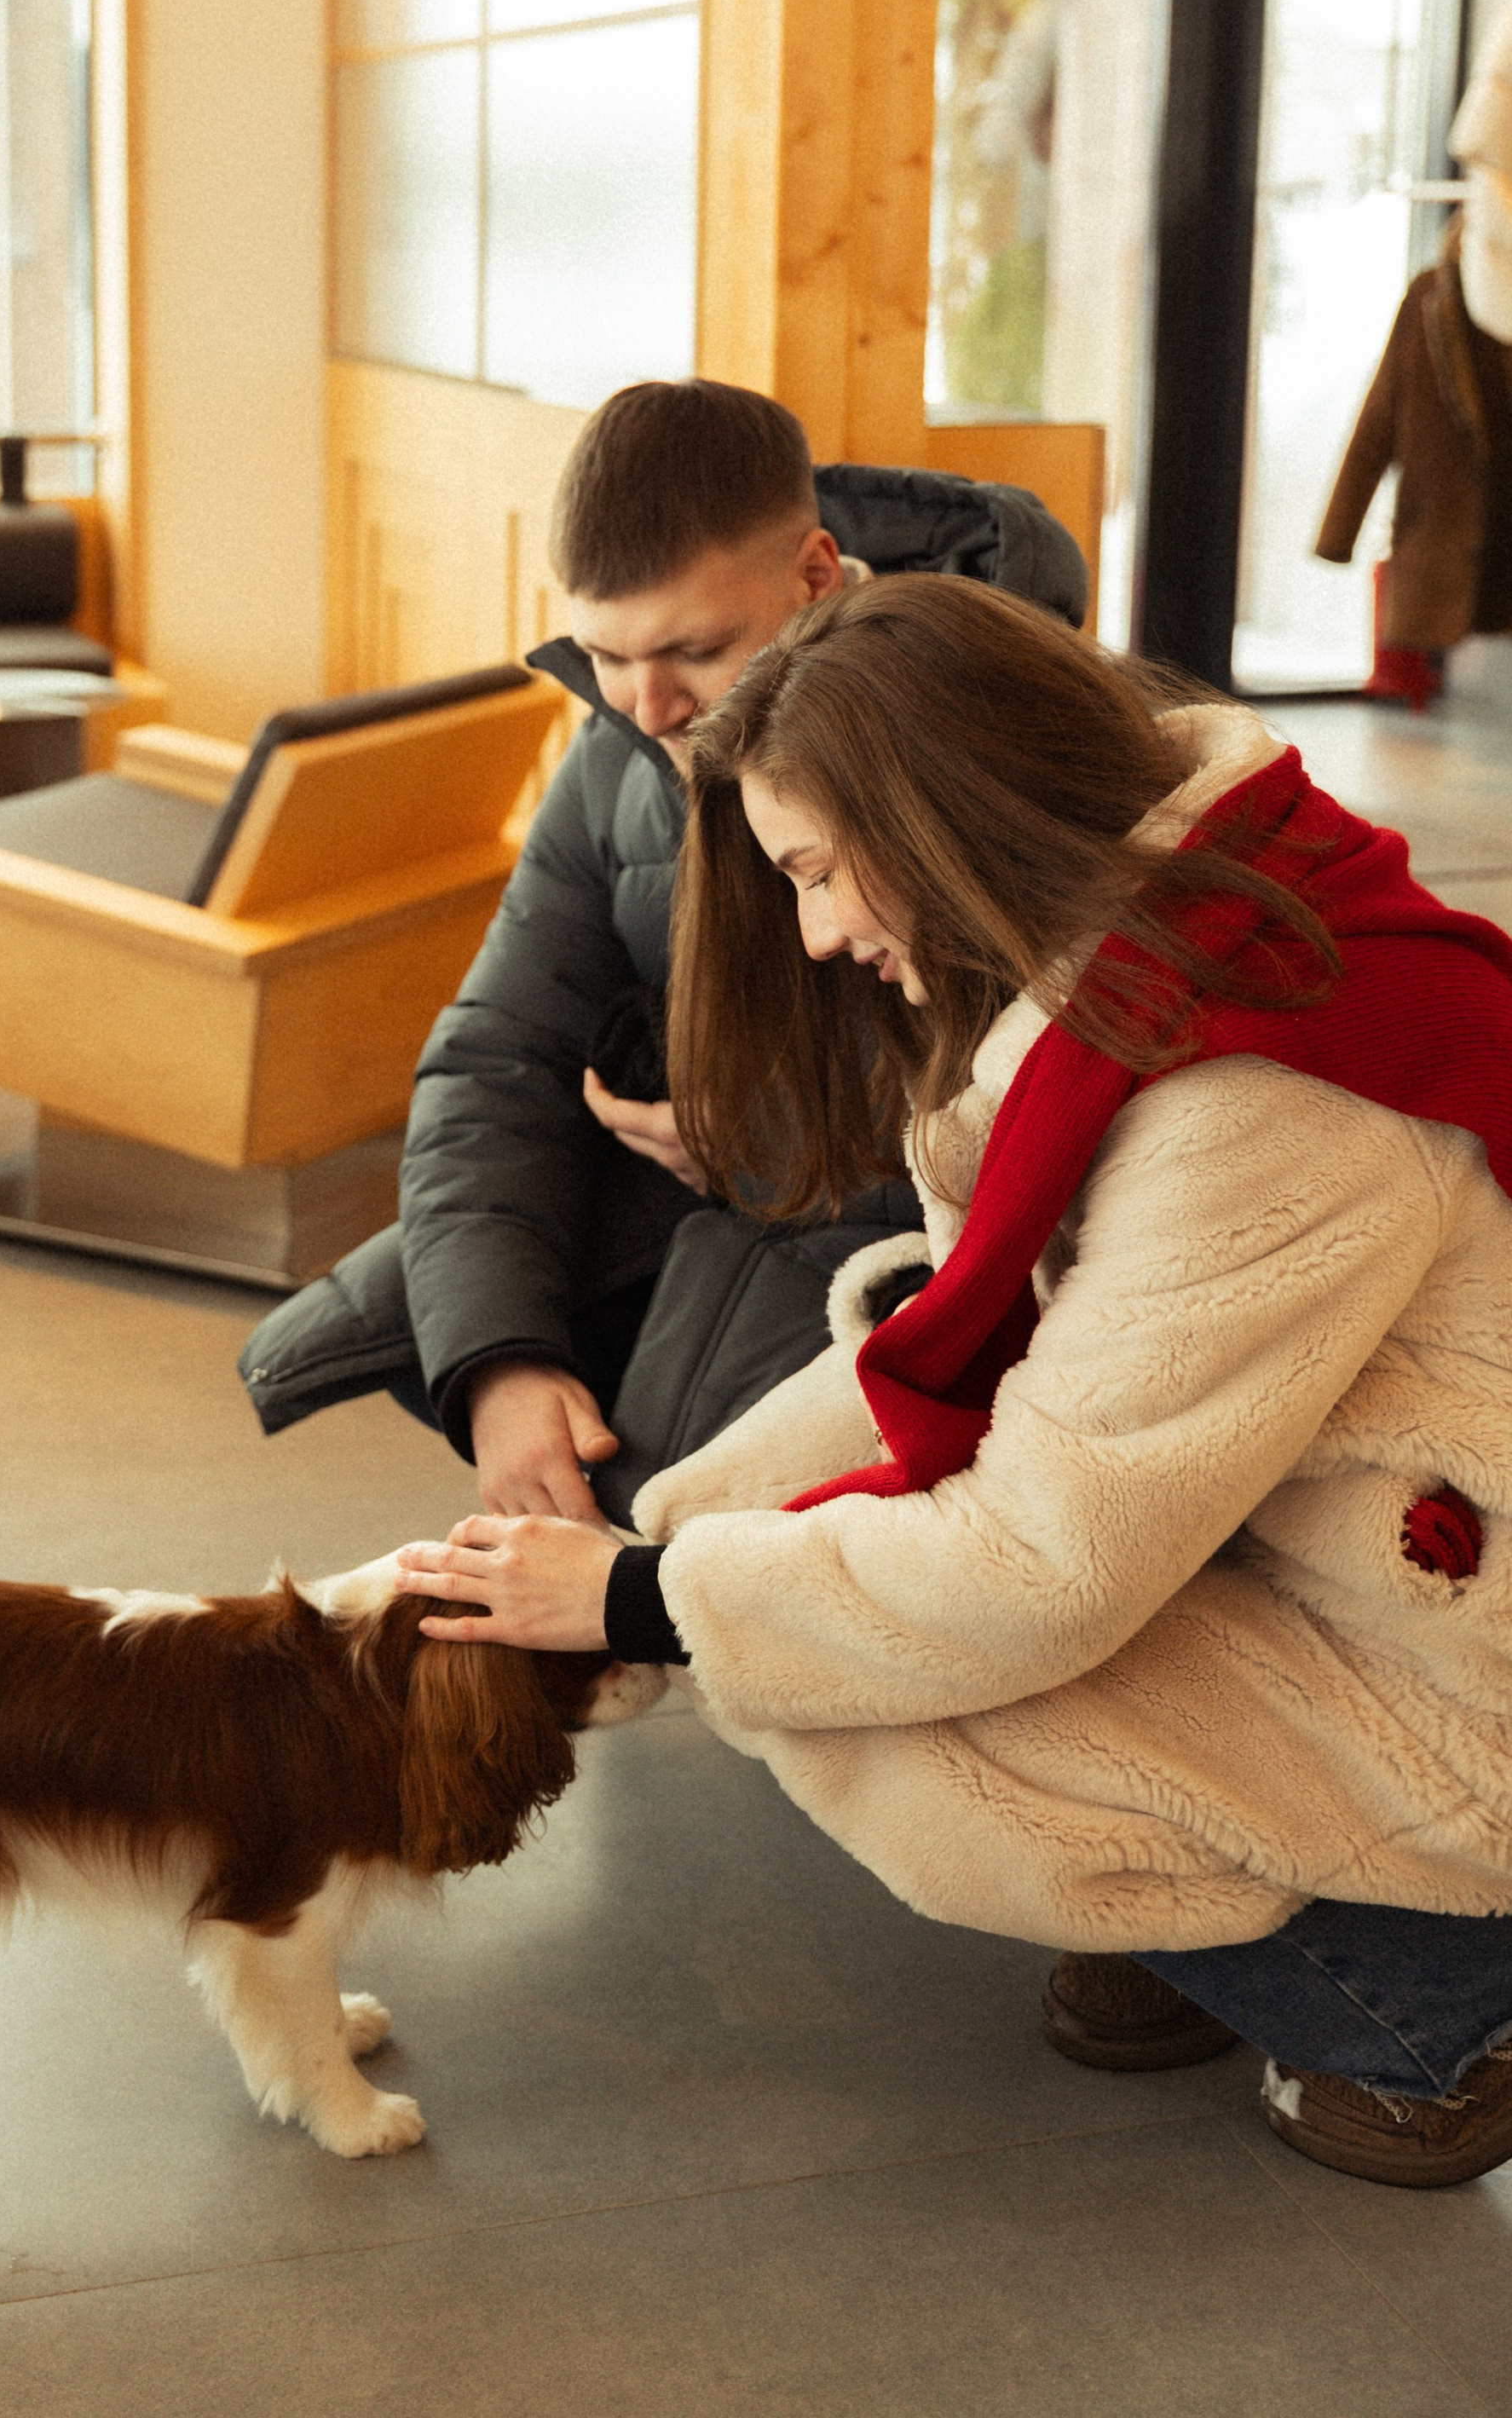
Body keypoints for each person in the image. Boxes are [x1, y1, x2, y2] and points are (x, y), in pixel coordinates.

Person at [395, 572, 1512, 2187]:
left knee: (869, 1708)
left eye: (822, 872)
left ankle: (1426, 2001)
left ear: (945, 813)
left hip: (1460, 1674)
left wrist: (646, 1602)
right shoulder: (1153, 943)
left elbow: (1042, 1565)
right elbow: (984, 1360)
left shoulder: (1254, 1093)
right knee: (751, 1561)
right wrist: (661, 1547)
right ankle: (1269, 1908)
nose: (822, 931)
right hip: (1313, 1555)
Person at [239, 381, 1087, 1528]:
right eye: (603, 655)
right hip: (703, 1223)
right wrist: (500, 1364)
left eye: (695, 649)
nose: (643, 708)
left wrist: (753, 1145)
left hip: (900, 1270)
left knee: (675, 1540)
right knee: (465, 1336)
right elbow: (496, 1061)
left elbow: (1069, 1129)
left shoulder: (1012, 734)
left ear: (818, 577)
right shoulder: (619, 750)